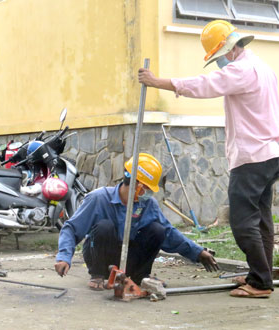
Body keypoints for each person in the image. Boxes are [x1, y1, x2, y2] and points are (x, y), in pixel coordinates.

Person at [138, 20, 279, 298]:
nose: (219, 63)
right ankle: (259, 274)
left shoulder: (241, 70)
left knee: (242, 222)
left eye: (218, 57)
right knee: (261, 218)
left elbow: (205, 85)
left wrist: (158, 83)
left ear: (228, 50)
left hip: (252, 156)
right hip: (269, 152)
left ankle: (261, 283)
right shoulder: (262, 67)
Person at [54, 153, 218, 290]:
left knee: (157, 229)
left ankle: (140, 277)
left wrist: (197, 252)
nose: (148, 193)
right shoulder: (99, 198)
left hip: (128, 257)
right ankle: (98, 276)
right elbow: (71, 228)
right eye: (146, 188)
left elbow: (168, 233)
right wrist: (64, 257)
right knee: (105, 227)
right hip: (101, 257)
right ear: (136, 185)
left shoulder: (147, 204)